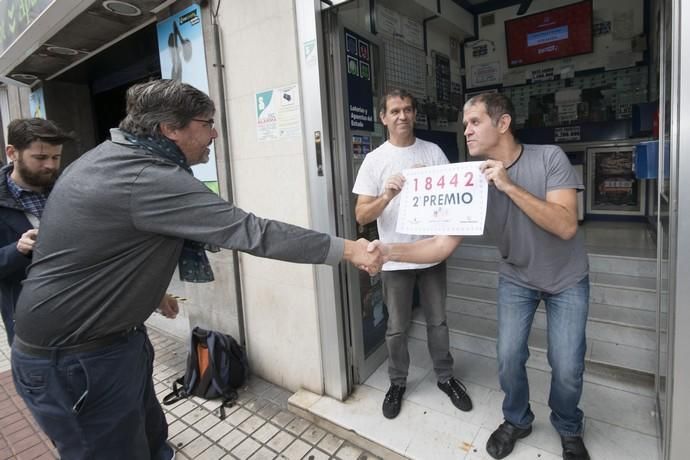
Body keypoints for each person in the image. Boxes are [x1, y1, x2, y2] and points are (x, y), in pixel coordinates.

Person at [11, 79, 382, 460]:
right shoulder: (147, 176)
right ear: (170, 129)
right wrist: (348, 248)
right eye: (207, 123)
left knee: (153, 443)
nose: (215, 134)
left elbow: (101, 250)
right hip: (76, 361)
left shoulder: (110, 158)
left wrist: (152, 294)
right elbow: (252, 231)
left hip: (111, 346)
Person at [369, 92, 590, 460]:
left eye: (475, 122)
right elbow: (441, 247)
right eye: (465, 123)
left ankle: (568, 425)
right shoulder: (470, 179)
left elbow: (566, 225)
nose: (466, 130)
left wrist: (507, 185)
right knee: (507, 357)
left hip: (566, 278)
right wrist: (386, 252)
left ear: (502, 124)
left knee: (566, 366)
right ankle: (517, 419)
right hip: (517, 277)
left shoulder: (549, 157)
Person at [352, 88, 473, 420]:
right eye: (395, 111)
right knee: (396, 327)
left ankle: (445, 378)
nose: (402, 116)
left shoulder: (433, 152)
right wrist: (388, 195)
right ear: (383, 118)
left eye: (407, 109)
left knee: (438, 321)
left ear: (415, 114)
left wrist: (435, 184)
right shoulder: (375, 161)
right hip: (395, 257)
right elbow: (362, 215)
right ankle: (397, 383)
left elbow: (454, 197)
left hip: (432, 255)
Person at [0, 118, 72, 345]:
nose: (50, 165)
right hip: (34, 332)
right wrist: (18, 250)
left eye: (56, 157)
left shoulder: (73, 189)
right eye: (40, 158)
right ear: (12, 153)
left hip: (84, 317)